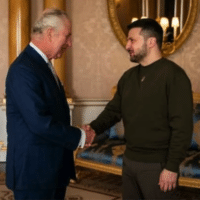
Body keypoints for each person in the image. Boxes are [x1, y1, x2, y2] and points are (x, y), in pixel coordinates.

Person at [82, 18, 193, 199]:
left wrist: (171, 167)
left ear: (151, 42)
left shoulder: (174, 76)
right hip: (130, 160)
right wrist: (93, 128)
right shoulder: (128, 77)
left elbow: (182, 127)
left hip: (158, 165)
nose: (127, 46)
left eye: (132, 40)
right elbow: (113, 111)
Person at [5, 8, 95, 200]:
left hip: (51, 170)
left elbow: (52, 114)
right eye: (67, 36)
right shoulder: (24, 69)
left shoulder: (42, 65)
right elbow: (39, 123)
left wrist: (77, 131)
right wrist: (79, 135)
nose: (70, 43)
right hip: (33, 174)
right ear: (50, 33)